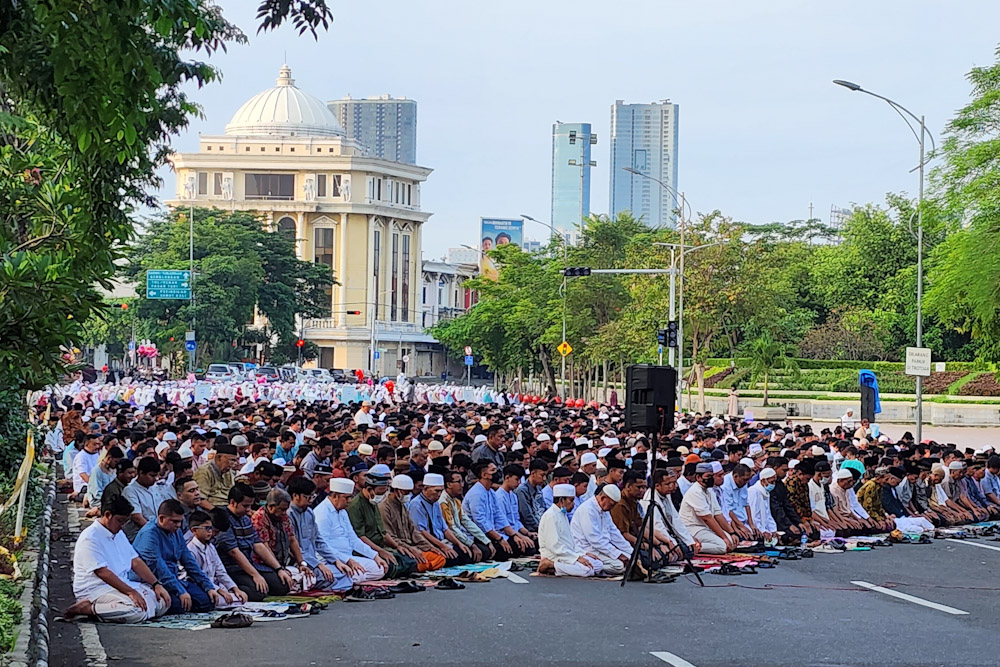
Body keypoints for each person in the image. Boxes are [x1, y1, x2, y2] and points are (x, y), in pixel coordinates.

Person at [65, 495, 171, 623]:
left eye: (125, 522)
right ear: (108, 515)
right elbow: (102, 572)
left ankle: (102, 609)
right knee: (136, 612)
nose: (122, 526)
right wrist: (131, 592)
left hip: (122, 583)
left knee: (163, 601)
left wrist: (156, 584)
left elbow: (135, 561)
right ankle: (88, 608)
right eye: (120, 521)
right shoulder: (90, 538)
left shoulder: (118, 533)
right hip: (96, 589)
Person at [132, 499, 220, 614]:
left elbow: (189, 561)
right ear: (161, 518)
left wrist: (208, 586)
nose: (178, 525)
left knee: (207, 600)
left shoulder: (176, 531)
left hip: (173, 578)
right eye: (174, 521)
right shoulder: (149, 534)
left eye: (180, 521)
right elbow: (159, 567)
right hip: (152, 582)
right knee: (178, 604)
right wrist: (180, 591)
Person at [216, 483, 293, 602]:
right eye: (245, 506)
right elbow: (234, 552)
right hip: (233, 568)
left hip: (251, 564)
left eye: (250, 506)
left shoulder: (246, 519)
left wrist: (279, 569)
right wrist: (255, 575)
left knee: (282, 585)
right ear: (233, 502)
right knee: (258, 592)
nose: (248, 510)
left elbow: (258, 545)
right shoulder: (224, 519)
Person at [345, 466, 417, 578]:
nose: (382, 496)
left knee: (411, 560)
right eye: (380, 493)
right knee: (391, 565)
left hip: (380, 546)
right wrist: (380, 552)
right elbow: (360, 537)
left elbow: (383, 532)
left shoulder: (373, 503)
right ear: (369, 489)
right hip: (365, 550)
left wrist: (397, 546)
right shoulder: (355, 506)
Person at [314, 477, 388, 584]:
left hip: (348, 557)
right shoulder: (322, 514)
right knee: (358, 573)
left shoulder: (343, 512)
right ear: (335, 496)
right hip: (330, 560)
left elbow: (353, 539)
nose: (349, 501)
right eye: (347, 498)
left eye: (351, 497)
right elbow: (323, 546)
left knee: (379, 568)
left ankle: (349, 579)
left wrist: (374, 555)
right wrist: (347, 561)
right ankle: (348, 579)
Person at [379, 475, 448, 572]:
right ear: (396, 490)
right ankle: (419, 566)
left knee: (439, 557)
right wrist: (410, 549)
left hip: (413, 547)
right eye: (405, 492)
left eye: (409, 492)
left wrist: (429, 547)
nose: (408, 494)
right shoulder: (384, 507)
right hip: (398, 548)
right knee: (412, 561)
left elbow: (414, 531)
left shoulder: (402, 506)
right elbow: (388, 536)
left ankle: (422, 566)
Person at [251, 488, 314, 592]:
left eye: (286, 509)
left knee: (309, 576)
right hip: (263, 564)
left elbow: (292, 539)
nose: (285, 513)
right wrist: (279, 569)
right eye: (282, 509)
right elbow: (265, 548)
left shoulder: (283, 517)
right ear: (271, 507)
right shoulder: (259, 518)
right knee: (282, 585)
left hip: (282, 564)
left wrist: (301, 563)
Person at [538, 484, 604, 577]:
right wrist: (576, 558)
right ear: (561, 500)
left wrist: (583, 553)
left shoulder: (562, 514)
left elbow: (570, 542)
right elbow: (554, 546)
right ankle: (550, 564)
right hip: (555, 556)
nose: (573, 504)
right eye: (571, 500)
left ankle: (558, 568)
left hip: (567, 554)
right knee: (587, 570)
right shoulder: (550, 516)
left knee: (598, 564)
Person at [408, 473, 475, 565]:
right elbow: (422, 532)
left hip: (441, 541)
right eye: (436, 491)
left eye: (441, 491)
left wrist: (459, 543)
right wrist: (443, 546)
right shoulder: (417, 504)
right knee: (452, 558)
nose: (439, 494)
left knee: (466, 553)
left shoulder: (436, 503)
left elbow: (445, 529)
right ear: (425, 488)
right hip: (428, 544)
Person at [186, 510, 248, 607]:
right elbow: (196, 577)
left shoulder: (211, 547)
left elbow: (220, 571)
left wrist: (235, 588)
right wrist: (218, 590)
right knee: (213, 600)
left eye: (211, 528)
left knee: (240, 597)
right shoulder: (190, 549)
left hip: (214, 584)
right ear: (194, 530)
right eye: (206, 528)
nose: (210, 532)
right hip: (200, 586)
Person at [570, 484, 633, 576]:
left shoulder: (604, 511)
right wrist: (618, 554)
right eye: (611, 504)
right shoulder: (587, 509)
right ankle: (588, 566)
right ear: (603, 498)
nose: (612, 508)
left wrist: (631, 551)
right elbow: (595, 540)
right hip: (587, 549)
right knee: (619, 566)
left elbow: (614, 534)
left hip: (601, 548)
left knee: (630, 559)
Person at [679, 462, 735, 554]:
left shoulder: (709, 490)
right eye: (708, 476)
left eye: (712, 476)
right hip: (694, 528)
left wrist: (731, 533)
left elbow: (718, 514)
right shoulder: (695, 492)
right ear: (698, 477)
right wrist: (724, 538)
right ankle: (693, 547)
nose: (711, 479)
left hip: (705, 528)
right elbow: (707, 518)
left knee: (731, 542)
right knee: (723, 546)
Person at [641, 468, 699, 557]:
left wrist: (689, 540)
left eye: (672, 483)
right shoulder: (650, 500)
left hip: (669, 534)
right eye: (667, 484)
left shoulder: (666, 495)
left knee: (688, 548)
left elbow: (675, 520)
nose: (672, 486)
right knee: (681, 550)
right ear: (657, 486)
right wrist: (673, 543)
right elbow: (657, 526)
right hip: (658, 537)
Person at [439, 470, 490, 562]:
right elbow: (452, 528)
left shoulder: (456, 501)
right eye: (458, 482)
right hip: (449, 540)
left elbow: (467, 522)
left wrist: (486, 540)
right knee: (463, 555)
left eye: (462, 482)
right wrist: (471, 544)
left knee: (486, 550)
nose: (462, 485)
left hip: (461, 538)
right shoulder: (443, 502)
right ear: (449, 484)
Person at [495, 464, 538, 553]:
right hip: (504, 534)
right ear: (507, 478)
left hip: (515, 532)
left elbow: (516, 520)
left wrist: (527, 533)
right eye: (516, 480)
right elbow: (503, 525)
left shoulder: (513, 495)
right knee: (526, 547)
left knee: (536, 541)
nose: (518, 483)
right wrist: (520, 536)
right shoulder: (499, 497)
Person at [122, 457, 167, 541]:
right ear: (141, 473)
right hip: (138, 535)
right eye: (152, 475)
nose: (155, 479)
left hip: (158, 530)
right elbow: (137, 518)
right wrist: (155, 533)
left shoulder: (155, 487)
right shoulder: (130, 491)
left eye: (156, 475)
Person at [193, 442, 237, 508]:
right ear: (219, 457)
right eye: (232, 460)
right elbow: (201, 500)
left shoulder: (229, 472)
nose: (234, 464)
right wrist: (215, 511)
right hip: (213, 508)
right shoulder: (204, 471)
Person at [515, 459, 548, 533]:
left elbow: (543, 508)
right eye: (542, 475)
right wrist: (543, 528)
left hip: (542, 525)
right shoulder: (522, 491)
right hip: (531, 529)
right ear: (533, 473)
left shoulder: (539, 487)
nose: (544, 479)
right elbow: (527, 516)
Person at [747, 467, 778, 543]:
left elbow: (768, 514)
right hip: (755, 530)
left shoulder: (765, 492)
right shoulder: (754, 491)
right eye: (771, 482)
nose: (773, 484)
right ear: (764, 480)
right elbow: (754, 515)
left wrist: (773, 530)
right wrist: (763, 531)